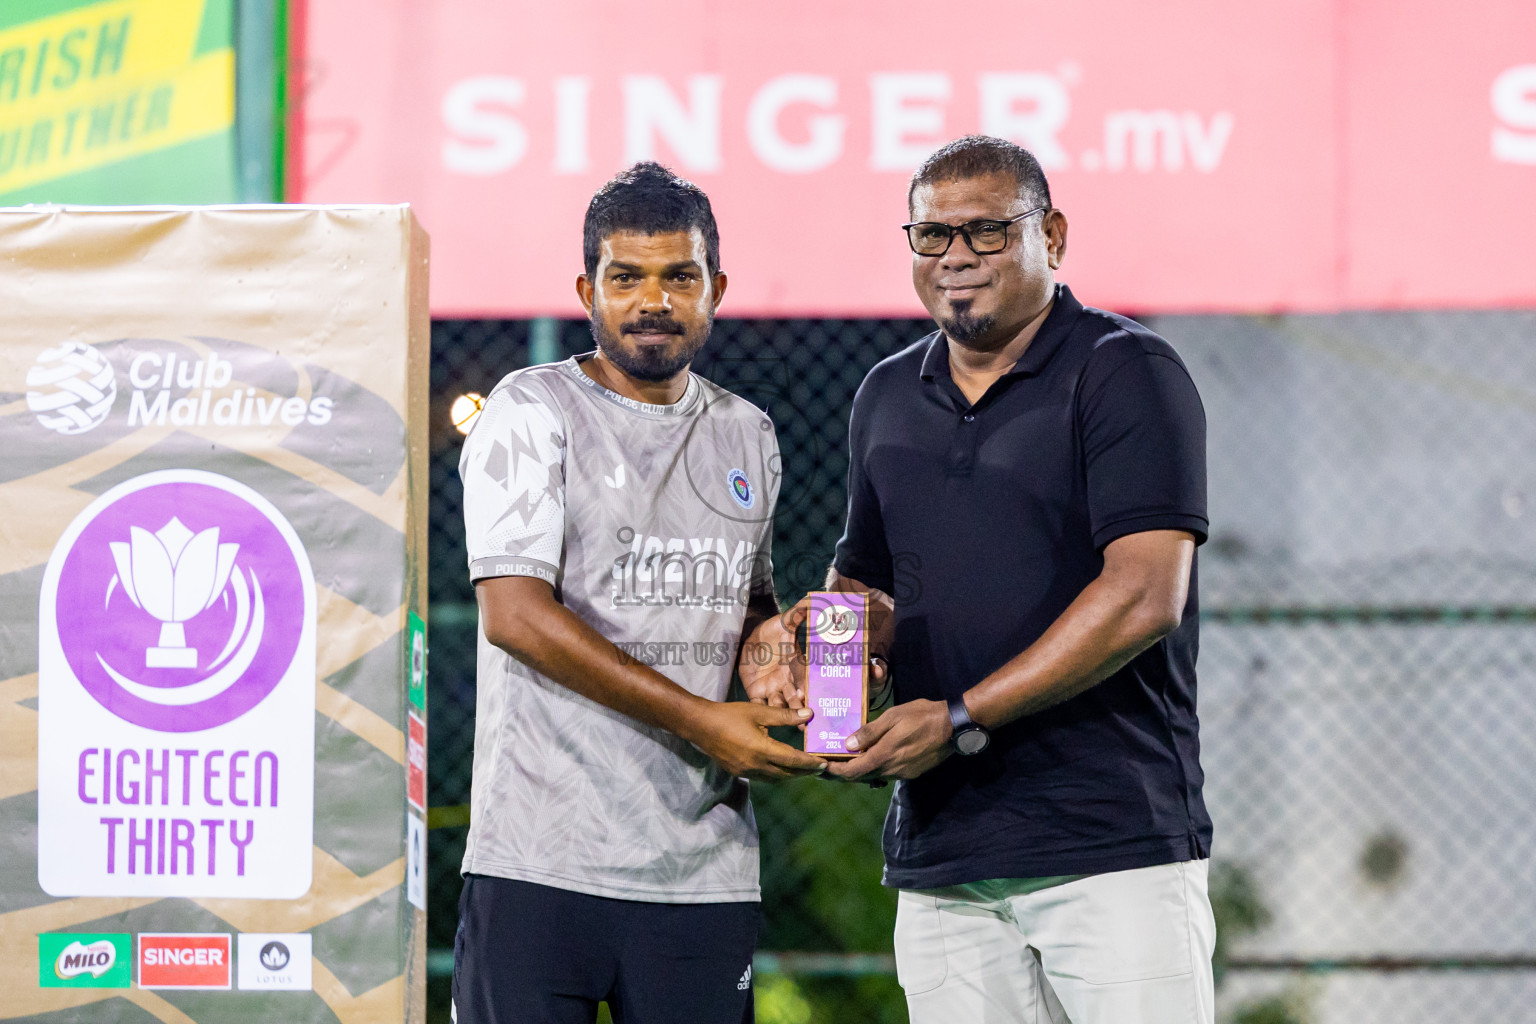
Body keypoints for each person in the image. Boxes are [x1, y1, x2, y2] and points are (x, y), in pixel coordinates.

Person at [824, 134, 1215, 1022]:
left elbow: (1146, 594)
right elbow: (864, 578)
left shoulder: (1126, 372)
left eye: (988, 232)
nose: (956, 256)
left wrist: (959, 718)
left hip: (1111, 848)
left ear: (1054, 236)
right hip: (943, 857)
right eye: (932, 236)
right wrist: (828, 676)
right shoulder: (886, 393)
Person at [451, 161, 825, 1024]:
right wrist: (705, 722)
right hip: (542, 861)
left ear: (716, 288)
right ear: (588, 288)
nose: (652, 300)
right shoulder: (530, 409)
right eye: (627, 277)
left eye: (678, 277)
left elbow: (748, 599)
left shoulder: (746, 432)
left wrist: (767, 647)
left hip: (703, 871)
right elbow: (515, 615)